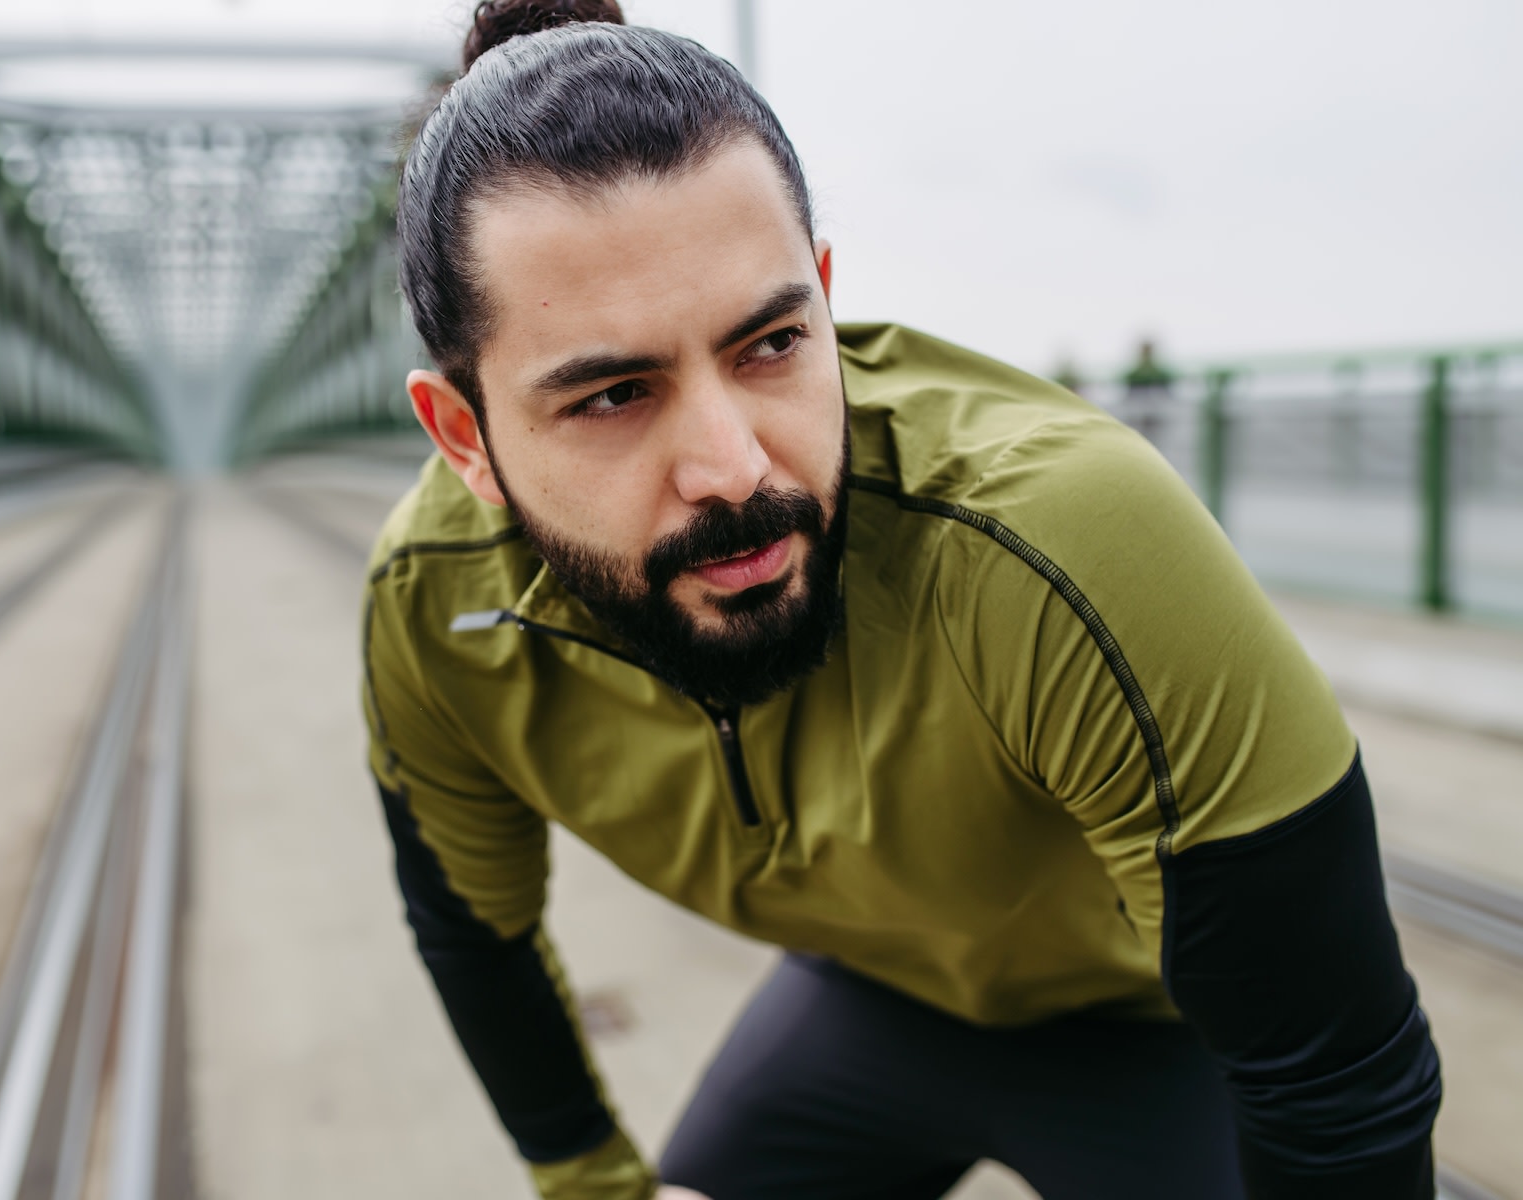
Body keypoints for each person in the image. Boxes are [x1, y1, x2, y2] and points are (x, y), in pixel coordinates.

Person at [363, 2, 1442, 1197]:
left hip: (1170, 1030)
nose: (734, 468)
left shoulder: (1064, 538)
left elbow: (1337, 1074)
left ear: (825, 299)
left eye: (770, 343)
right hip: (871, 999)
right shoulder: (432, 607)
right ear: (464, 438)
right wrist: (593, 1187)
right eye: (615, 394)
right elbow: (477, 934)